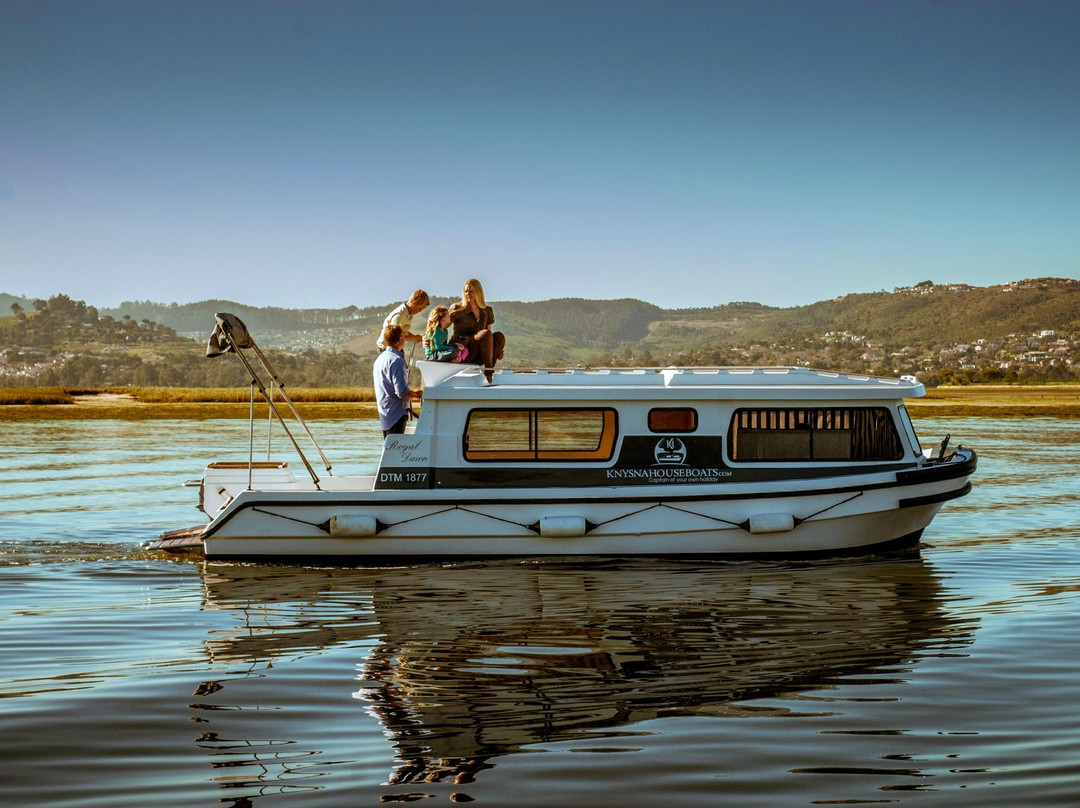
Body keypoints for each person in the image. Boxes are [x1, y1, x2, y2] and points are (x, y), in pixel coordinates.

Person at [449, 278, 505, 381]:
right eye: (466, 291)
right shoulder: (457, 308)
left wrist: (497, 350)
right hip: (463, 350)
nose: (468, 294)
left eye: (471, 291)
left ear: (478, 292)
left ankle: (488, 371)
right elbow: (441, 325)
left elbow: (489, 336)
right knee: (485, 334)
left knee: (498, 336)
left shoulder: (487, 310)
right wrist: (429, 338)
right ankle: (489, 374)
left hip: (480, 351)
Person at [374, 324, 421, 436]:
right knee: (395, 445)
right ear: (400, 339)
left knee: (389, 444)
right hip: (396, 413)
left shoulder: (380, 359)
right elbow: (402, 392)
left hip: (385, 413)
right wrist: (418, 394)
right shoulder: (396, 360)